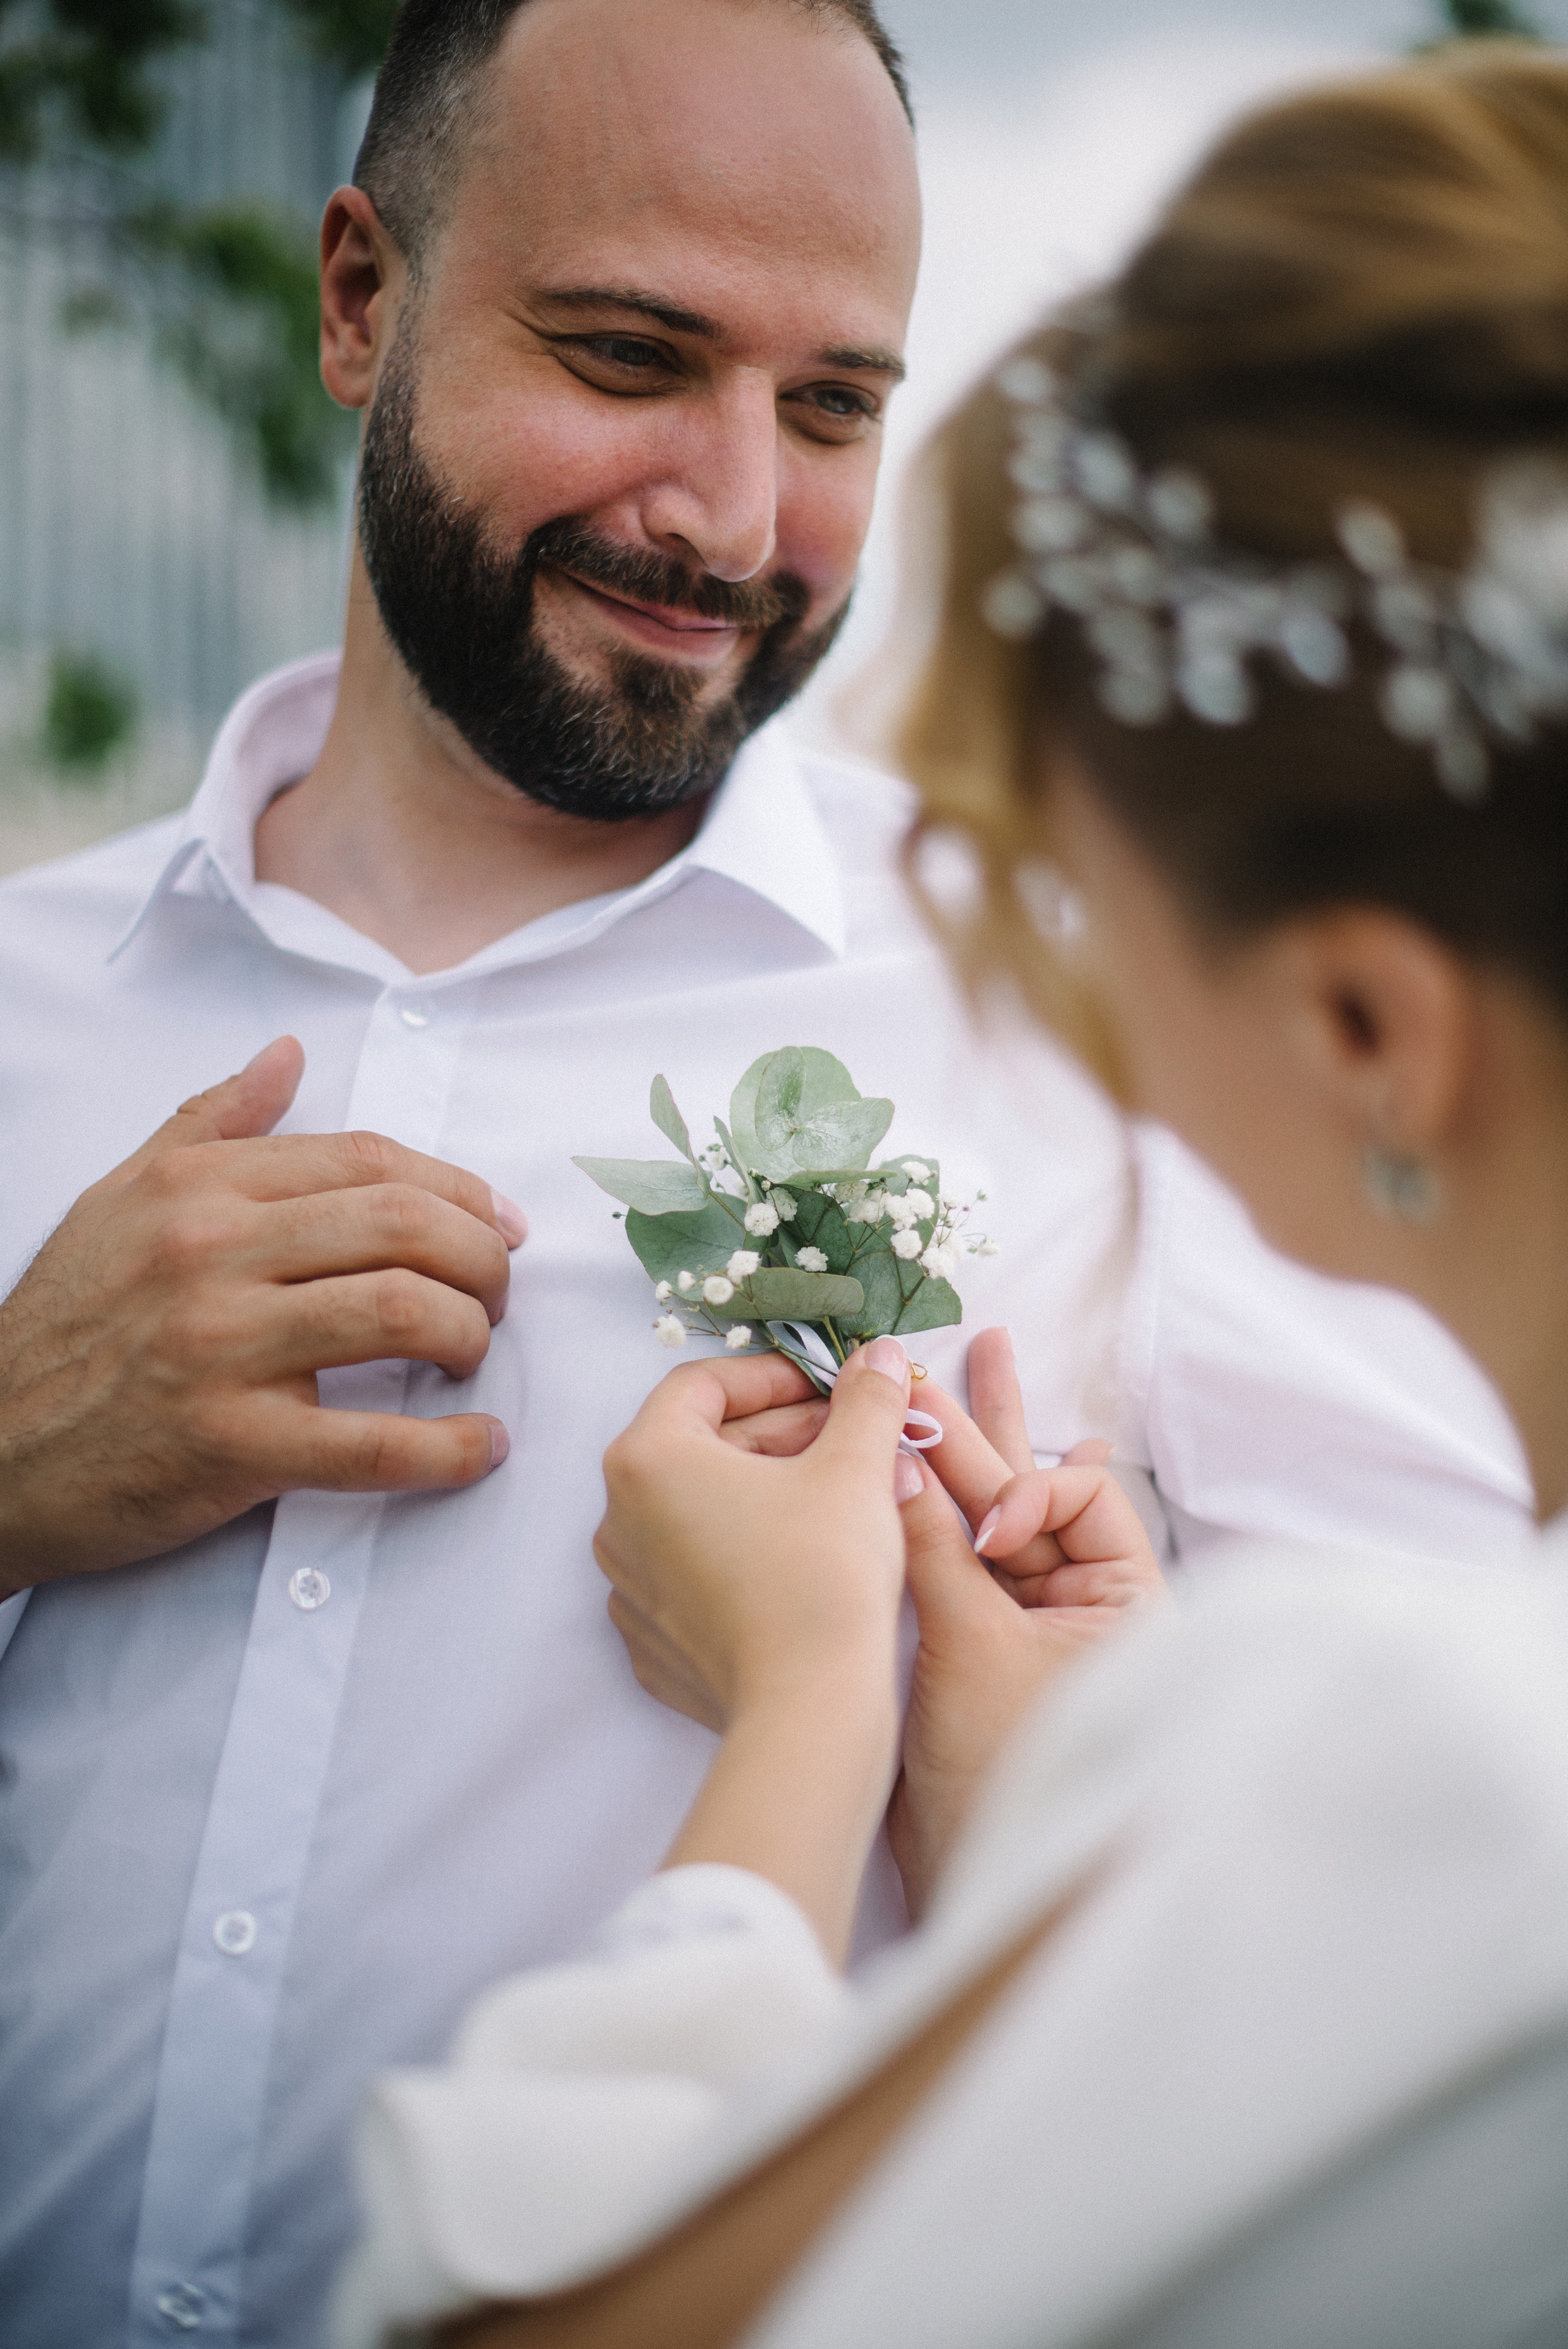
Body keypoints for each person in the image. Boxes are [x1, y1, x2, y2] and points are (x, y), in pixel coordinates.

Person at [0, 6, 1533, 2345]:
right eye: (630, 355)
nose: (730, 513)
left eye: (834, 406)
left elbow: (1427, 1920)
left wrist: (1021, 1767)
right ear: (356, 297)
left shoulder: (1138, 1021)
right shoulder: (20, 995)